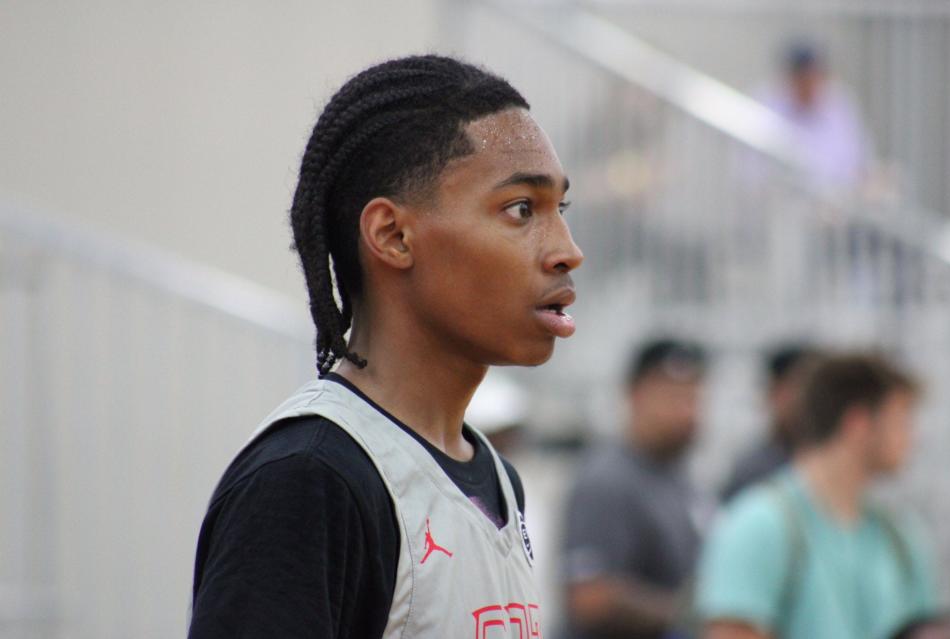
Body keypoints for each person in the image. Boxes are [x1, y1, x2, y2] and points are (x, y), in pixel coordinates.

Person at [188, 55, 583, 638]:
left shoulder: (498, 479)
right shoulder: (308, 480)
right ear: (393, 236)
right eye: (521, 209)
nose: (567, 250)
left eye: (560, 209)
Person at [696, 353, 950, 639]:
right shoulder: (760, 526)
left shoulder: (900, 536)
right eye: (901, 420)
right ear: (858, 423)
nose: (912, 437)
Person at [561, 339, 711, 639]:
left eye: (693, 398)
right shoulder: (606, 480)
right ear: (634, 395)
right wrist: (688, 614)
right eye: (673, 397)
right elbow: (590, 599)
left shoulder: (677, 476)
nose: (686, 413)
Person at [758, 41, 871, 191]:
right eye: (801, 78)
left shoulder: (839, 102)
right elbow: (757, 173)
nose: (808, 85)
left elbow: (859, 159)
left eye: (813, 77)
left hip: (838, 201)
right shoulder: (767, 105)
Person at [721, 344, 819, 502]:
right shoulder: (753, 470)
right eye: (797, 389)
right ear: (773, 392)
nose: (805, 401)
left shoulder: (825, 461)